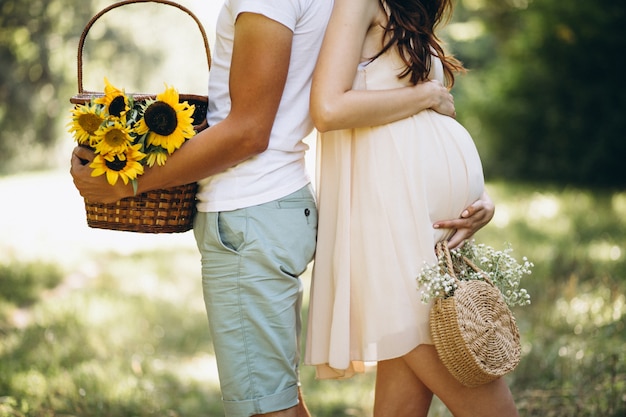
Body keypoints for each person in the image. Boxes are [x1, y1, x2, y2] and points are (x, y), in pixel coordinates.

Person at [71, 1, 494, 416]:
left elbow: (250, 132)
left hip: (251, 206)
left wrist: (130, 185)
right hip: (297, 212)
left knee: (266, 407)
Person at [304, 0, 517, 416]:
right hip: (391, 227)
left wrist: (479, 199)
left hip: (424, 230)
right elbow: (328, 109)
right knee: (493, 407)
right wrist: (426, 94)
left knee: (400, 407)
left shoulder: (407, 10)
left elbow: (429, 124)